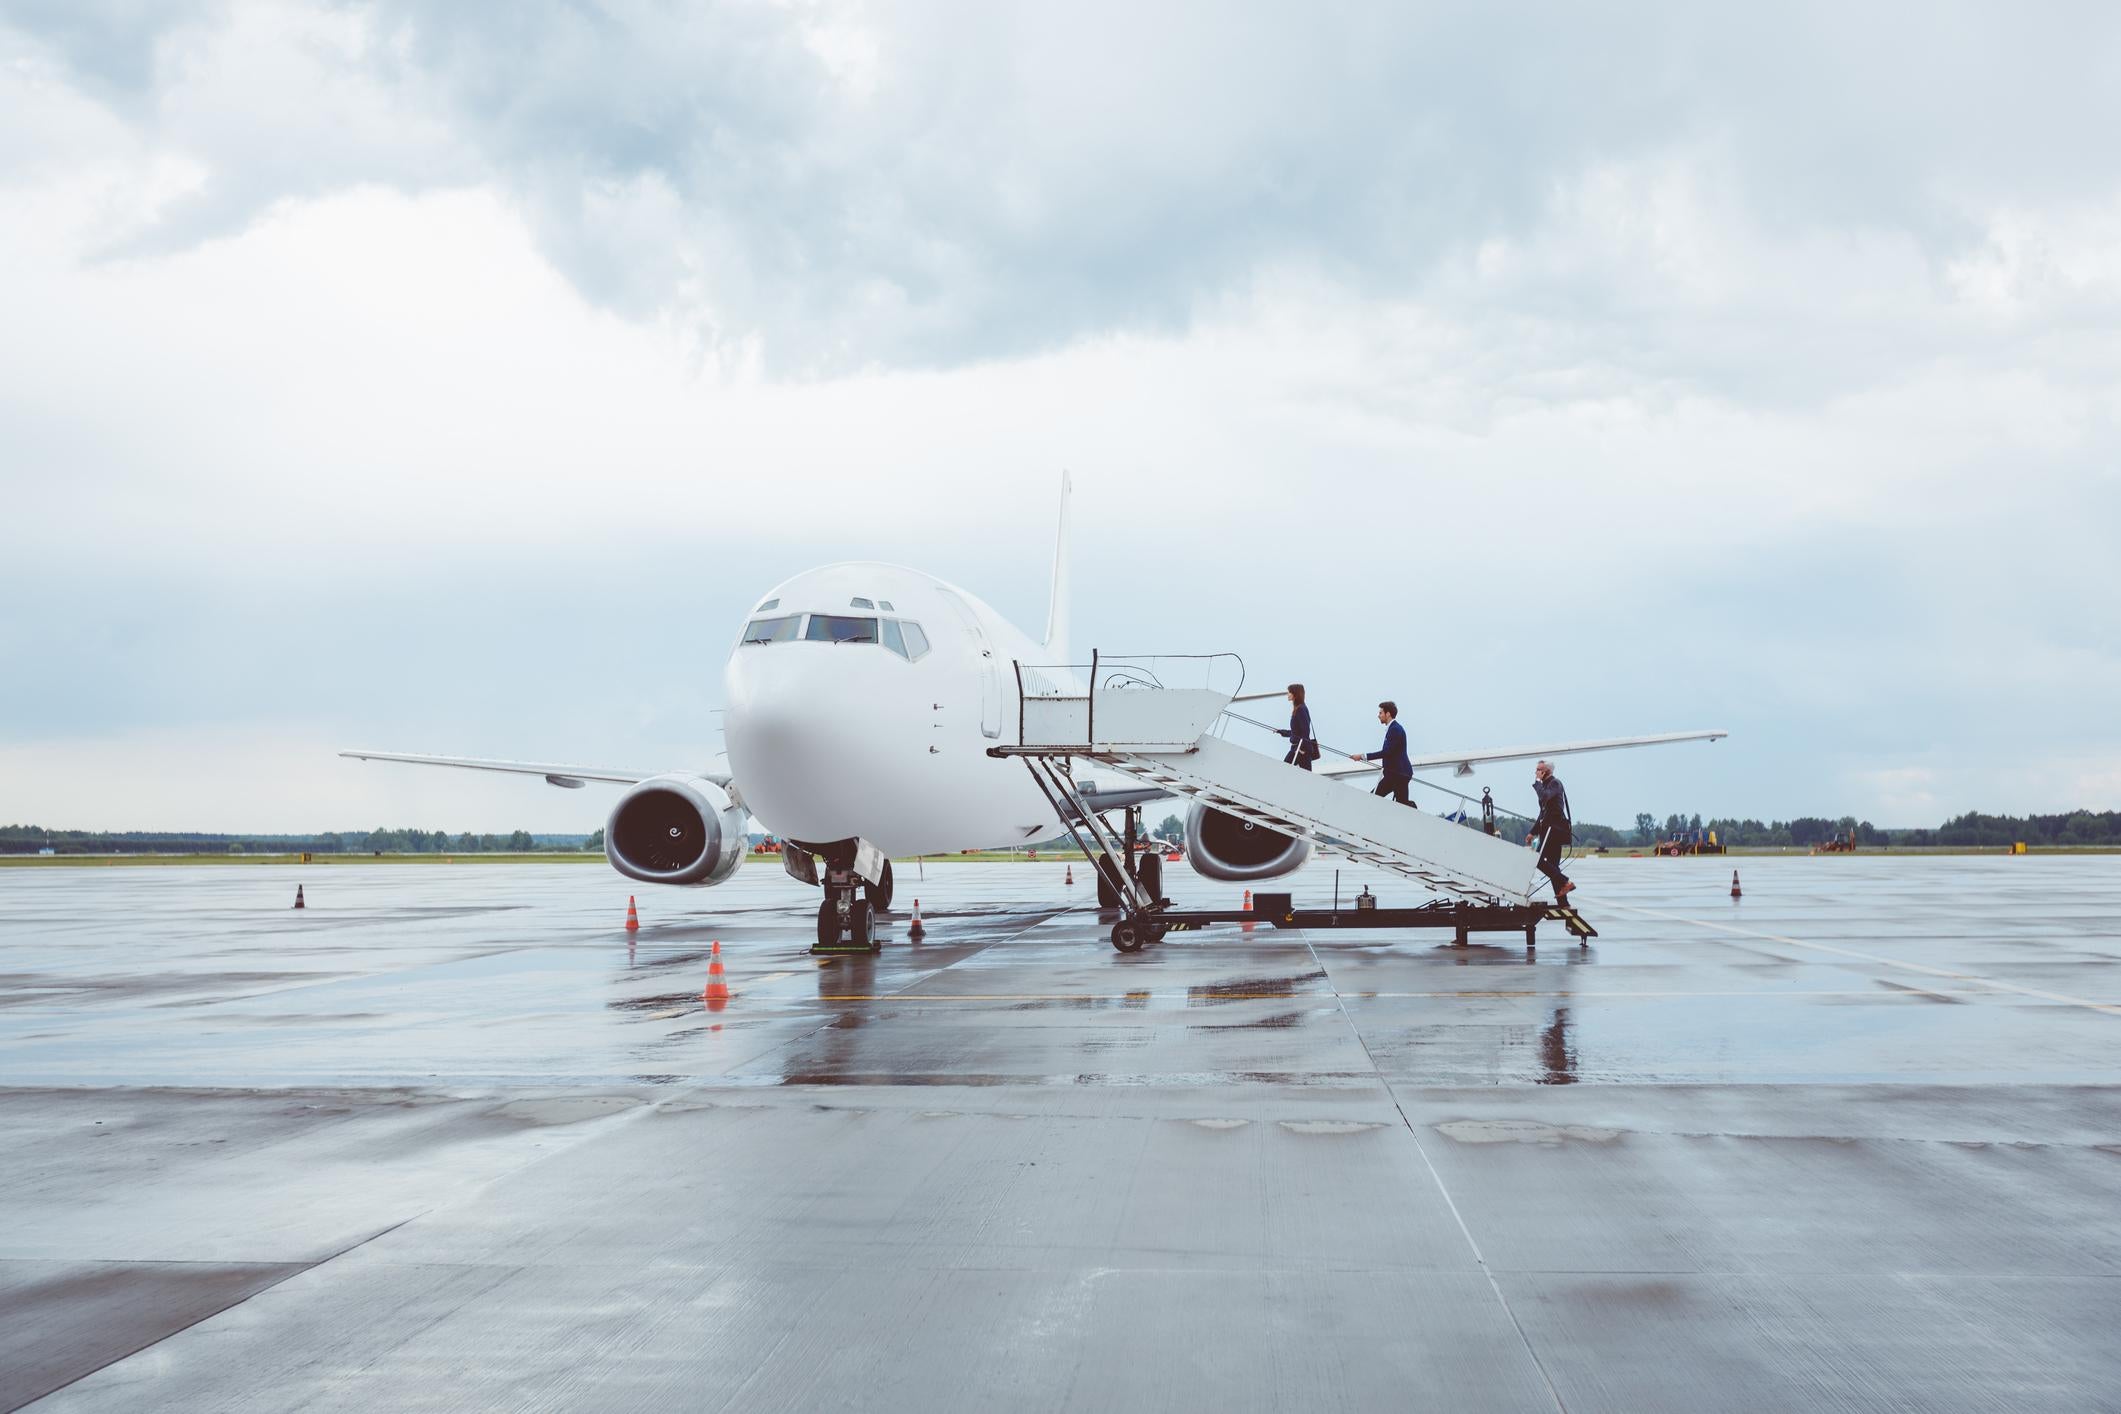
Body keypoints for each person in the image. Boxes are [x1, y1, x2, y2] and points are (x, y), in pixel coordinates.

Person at [1525, 760, 1575, 903]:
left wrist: (1537, 784)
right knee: (1553, 866)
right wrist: (1532, 832)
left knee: (1538, 860)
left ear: (1546, 771)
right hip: (1549, 831)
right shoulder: (1546, 785)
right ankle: (1563, 902)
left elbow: (1544, 797)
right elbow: (1543, 813)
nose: (1536, 772)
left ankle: (1565, 881)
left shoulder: (1554, 783)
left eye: (1538, 769)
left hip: (1554, 832)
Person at [1350, 701, 1415, 807]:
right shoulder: (1393, 728)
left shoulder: (1395, 729)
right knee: (1401, 806)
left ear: (1388, 714)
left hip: (1398, 775)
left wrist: (1362, 756)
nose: (1378, 716)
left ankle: (1412, 808)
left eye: (1380, 713)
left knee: (1375, 798)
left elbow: (1386, 752)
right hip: (1396, 774)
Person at [1277, 683, 1319, 770]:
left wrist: (1303, 748)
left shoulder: (1301, 709)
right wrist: (1281, 731)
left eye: (1289, 692)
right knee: (1305, 776)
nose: (1288, 694)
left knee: (1284, 770)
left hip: (1300, 749)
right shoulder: (1299, 709)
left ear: (1295, 694)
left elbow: (1305, 730)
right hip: (1297, 747)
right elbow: (1296, 732)